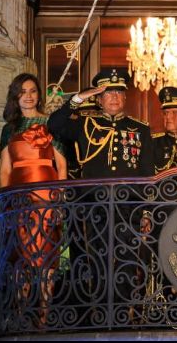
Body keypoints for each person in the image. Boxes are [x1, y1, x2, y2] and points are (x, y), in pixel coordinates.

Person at [47, 67, 154, 318]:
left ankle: (121, 312)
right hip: (93, 206)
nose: (114, 98)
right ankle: (98, 312)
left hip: (129, 206)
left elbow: (148, 171)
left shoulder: (140, 128)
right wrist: (78, 98)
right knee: (96, 259)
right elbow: (55, 124)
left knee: (127, 259)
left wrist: (147, 208)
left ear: (125, 97)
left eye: (118, 93)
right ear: (99, 98)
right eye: (107, 93)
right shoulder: (85, 124)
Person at [0, 73, 67, 324]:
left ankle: (45, 315)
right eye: (22, 92)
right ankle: (21, 313)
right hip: (18, 198)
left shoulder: (50, 123)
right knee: (20, 255)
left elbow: (61, 165)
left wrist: (59, 199)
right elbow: (5, 168)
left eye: (33, 91)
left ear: (39, 95)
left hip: (46, 195)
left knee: (47, 255)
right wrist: (5, 201)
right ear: (15, 96)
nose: (28, 96)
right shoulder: (9, 129)